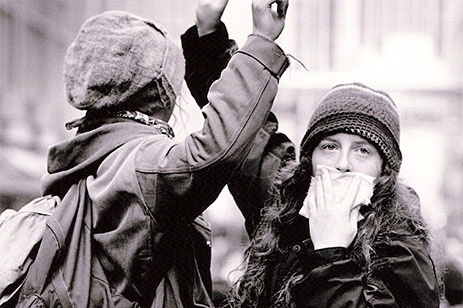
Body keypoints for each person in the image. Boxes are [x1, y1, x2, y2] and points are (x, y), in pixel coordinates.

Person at [15, 1, 290, 307]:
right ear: (162, 94)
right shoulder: (139, 163)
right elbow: (214, 152)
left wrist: (208, 34)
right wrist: (262, 43)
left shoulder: (93, 156)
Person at [228, 83, 441, 307]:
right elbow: (241, 119)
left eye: (362, 150)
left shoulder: (402, 251)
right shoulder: (283, 203)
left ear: (382, 172)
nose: (342, 164)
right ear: (310, 161)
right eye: (330, 147)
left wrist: (331, 254)